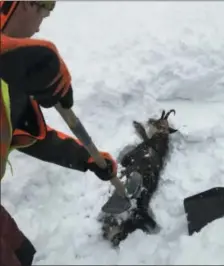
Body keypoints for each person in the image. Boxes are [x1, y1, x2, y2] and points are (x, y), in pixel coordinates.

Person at [0, 2, 117, 265]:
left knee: (23, 253)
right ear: (25, 6)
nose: (42, 23)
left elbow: (31, 135)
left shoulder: (13, 72)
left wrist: (85, 158)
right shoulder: (8, 61)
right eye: (43, 12)